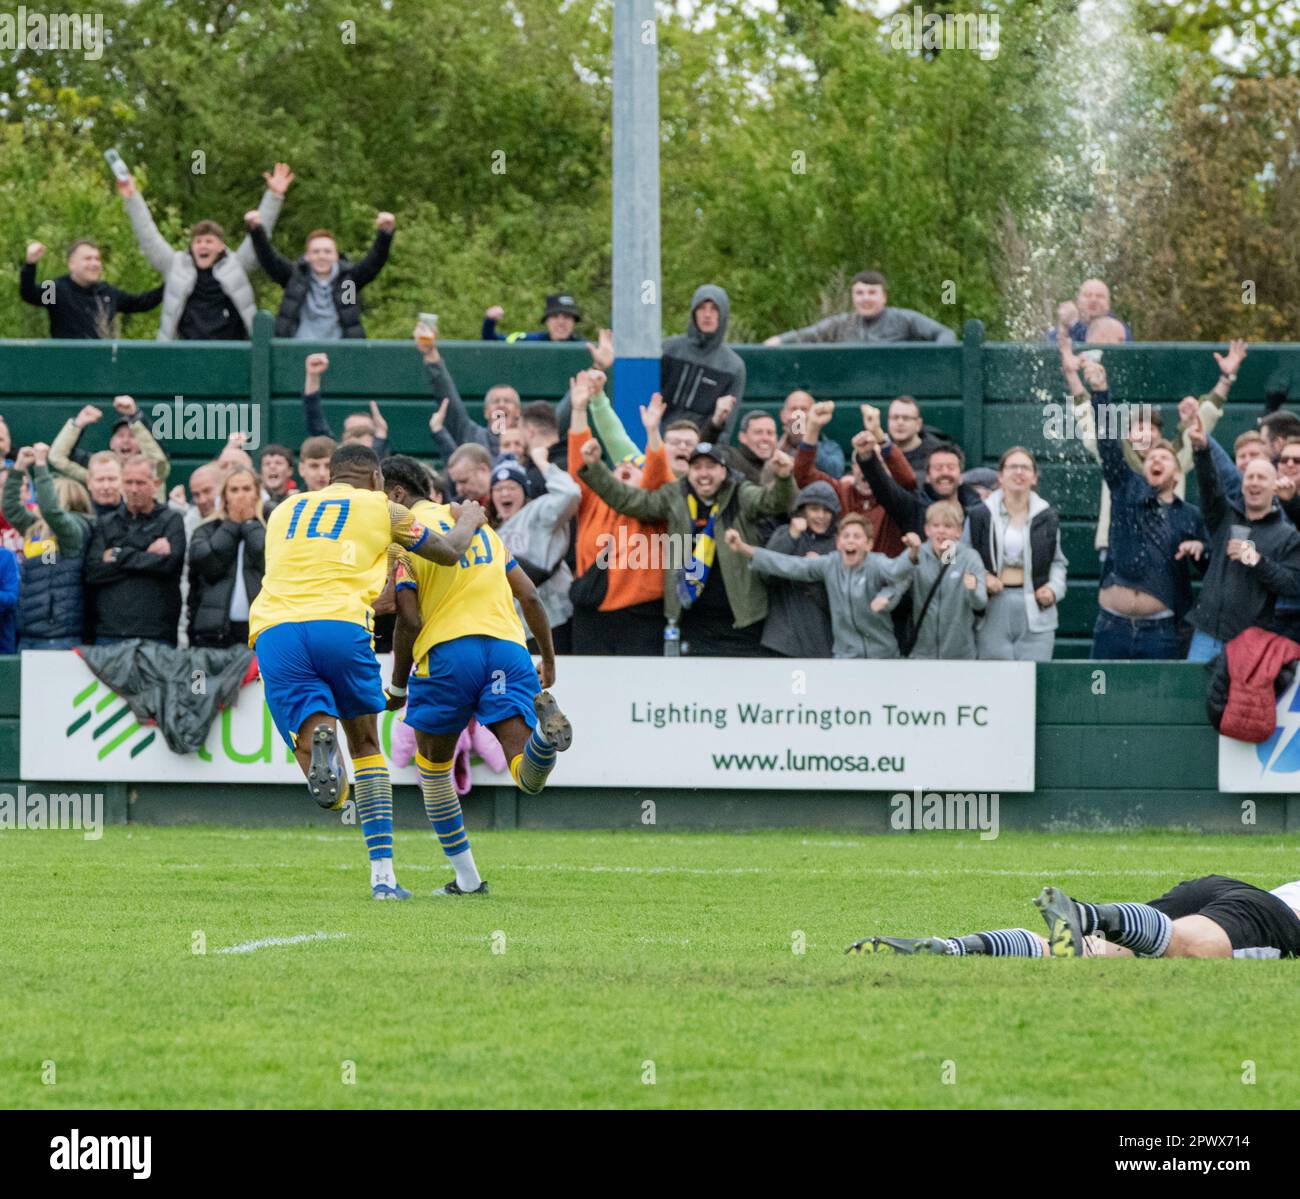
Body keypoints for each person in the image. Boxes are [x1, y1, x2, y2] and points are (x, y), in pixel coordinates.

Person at [248, 443, 487, 899]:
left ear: (330, 475)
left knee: (314, 746)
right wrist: (471, 518)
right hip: (339, 625)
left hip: (275, 629)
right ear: (377, 479)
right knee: (365, 745)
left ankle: (327, 764)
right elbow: (450, 552)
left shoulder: (282, 510)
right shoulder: (383, 509)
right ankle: (383, 878)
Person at [383, 457, 573, 896]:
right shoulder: (479, 528)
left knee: (433, 771)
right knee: (526, 774)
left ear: (394, 494)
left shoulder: (406, 534)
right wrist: (548, 661)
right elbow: (529, 595)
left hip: (448, 652)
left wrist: (397, 685)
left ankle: (467, 880)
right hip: (508, 650)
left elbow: (408, 619)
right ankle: (544, 739)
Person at [578, 441, 796, 656]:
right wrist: (596, 467)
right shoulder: (676, 496)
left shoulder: (740, 493)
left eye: (710, 467)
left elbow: (772, 501)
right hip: (692, 621)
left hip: (742, 620)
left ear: (723, 471)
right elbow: (630, 500)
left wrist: (784, 477)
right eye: (697, 467)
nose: (704, 474)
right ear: (689, 472)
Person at [1081, 360, 1208, 659]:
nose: (1156, 461)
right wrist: (1100, 392)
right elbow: (1109, 446)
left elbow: (1210, 564)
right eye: (1152, 458)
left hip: (1161, 634)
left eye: (1165, 458)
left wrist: (1199, 547)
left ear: (1177, 475)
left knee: (1156, 705)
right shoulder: (1125, 487)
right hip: (1111, 628)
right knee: (1099, 697)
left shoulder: (1189, 516)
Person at [848, 878, 1300, 961]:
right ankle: (1084, 914)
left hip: (1226, 887)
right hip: (1277, 915)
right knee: (1193, 947)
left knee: (1105, 951)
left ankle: (957, 947)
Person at [117, 163, 292, 340]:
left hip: (232, 354)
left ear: (221, 247)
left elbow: (258, 238)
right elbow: (149, 238)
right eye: (198, 241)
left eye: (209, 241)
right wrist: (132, 198)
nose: (203, 246)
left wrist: (274, 196)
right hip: (187, 355)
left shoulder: (236, 265)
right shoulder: (175, 265)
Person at [567, 375, 676, 655]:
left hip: (641, 616)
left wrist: (653, 434)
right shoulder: (595, 501)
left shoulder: (653, 502)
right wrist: (579, 410)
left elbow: (659, 474)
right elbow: (580, 466)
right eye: (619, 465)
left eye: (634, 464)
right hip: (591, 614)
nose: (625, 464)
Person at [1184, 412, 1300, 662]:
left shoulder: (1287, 535)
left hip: (1248, 642)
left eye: (1262, 478)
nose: (1254, 483)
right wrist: (1202, 450)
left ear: (1274, 486)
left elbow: (1292, 585)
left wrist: (1256, 560)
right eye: (1250, 477)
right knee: (1193, 698)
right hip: (1205, 635)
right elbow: (1209, 486)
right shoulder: (1224, 517)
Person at [725, 513, 913, 659]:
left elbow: (899, 573)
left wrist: (913, 552)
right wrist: (743, 548)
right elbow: (788, 564)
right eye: (846, 536)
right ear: (838, 543)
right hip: (845, 658)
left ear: (869, 544)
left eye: (857, 536)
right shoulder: (829, 564)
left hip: (882, 657)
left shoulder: (877, 563)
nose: (851, 540)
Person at [965, 447, 1068, 661]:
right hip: (991, 608)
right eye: (1013, 467)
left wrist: (1053, 590)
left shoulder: (1047, 517)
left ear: (1034, 478)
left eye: (1025, 468)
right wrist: (982, 577)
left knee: (1034, 682)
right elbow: (960, 558)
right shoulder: (979, 515)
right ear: (1000, 477)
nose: (1019, 472)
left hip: (1035, 610)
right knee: (995, 682)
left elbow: (1058, 562)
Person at [84, 456, 186, 645]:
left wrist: (118, 554)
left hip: (156, 633)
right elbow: (93, 571)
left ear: (155, 484)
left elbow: (169, 565)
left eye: (140, 483)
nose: (133, 489)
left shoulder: (171, 520)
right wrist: (147, 554)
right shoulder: (106, 522)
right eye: (128, 482)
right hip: (110, 631)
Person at [795, 401, 916, 559]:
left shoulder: (896, 499)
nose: (867, 470)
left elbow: (909, 481)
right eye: (862, 462)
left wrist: (878, 434)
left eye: (877, 464)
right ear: (853, 467)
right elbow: (803, 476)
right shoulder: (841, 490)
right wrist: (812, 429)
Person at [2, 443, 94, 649]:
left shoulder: (75, 531)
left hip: (60, 633)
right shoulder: (39, 530)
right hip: (29, 630)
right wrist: (17, 470)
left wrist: (41, 466)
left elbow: (52, 512)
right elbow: (11, 509)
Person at [247, 211, 394, 339]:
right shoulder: (296, 277)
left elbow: (374, 262)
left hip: (340, 353)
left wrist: (385, 234)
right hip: (298, 351)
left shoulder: (347, 282)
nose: (321, 256)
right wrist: (256, 230)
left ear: (336, 256)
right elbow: (269, 259)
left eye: (327, 251)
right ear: (307, 256)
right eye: (316, 252)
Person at [490, 446, 580, 654]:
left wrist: (543, 463)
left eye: (512, 487)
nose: (505, 493)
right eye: (498, 488)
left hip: (554, 619)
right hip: (515, 628)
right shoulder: (490, 530)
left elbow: (570, 492)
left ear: (524, 491)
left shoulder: (538, 512)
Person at [754, 482, 840, 658]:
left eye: (827, 511)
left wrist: (818, 573)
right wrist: (791, 537)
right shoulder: (785, 532)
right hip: (782, 641)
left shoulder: (838, 544)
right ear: (802, 511)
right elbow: (766, 574)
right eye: (814, 509)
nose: (821, 516)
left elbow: (841, 598)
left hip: (821, 642)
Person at [764, 270, 956, 346]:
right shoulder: (841, 324)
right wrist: (778, 341)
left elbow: (944, 333)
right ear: (853, 297)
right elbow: (808, 335)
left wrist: (938, 356)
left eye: (872, 293)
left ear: (884, 297)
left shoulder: (905, 319)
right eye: (860, 293)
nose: (865, 298)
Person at [187, 468, 266, 648]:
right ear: (225, 496)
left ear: (256, 494)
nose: (240, 496)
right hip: (215, 631)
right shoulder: (206, 529)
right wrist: (231, 526)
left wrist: (249, 525)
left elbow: (268, 560)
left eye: (246, 489)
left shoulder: (271, 525)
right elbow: (209, 566)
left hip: (260, 630)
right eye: (234, 490)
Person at [21, 239, 162, 338]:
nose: (94, 263)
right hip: (68, 366)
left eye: (97, 259)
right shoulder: (56, 289)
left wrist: (169, 287)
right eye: (88, 259)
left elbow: (140, 303)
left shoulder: (106, 292)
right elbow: (29, 294)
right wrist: (30, 264)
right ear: (72, 264)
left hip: (101, 368)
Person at [659, 285, 748, 440]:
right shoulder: (668, 350)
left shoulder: (733, 367)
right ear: (693, 313)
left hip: (700, 450)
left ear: (723, 315)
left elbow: (725, 429)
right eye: (701, 308)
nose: (707, 315)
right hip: (657, 441)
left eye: (714, 309)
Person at [418, 323, 521, 457]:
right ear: (486, 412)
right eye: (495, 401)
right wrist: (430, 352)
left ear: (518, 412)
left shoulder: (528, 442)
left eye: (507, 401)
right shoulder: (471, 435)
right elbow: (448, 397)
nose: (501, 405)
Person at [901, 506, 987, 659]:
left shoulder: (969, 557)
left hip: (960, 655)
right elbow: (898, 584)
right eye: (936, 526)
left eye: (948, 526)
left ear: (959, 532)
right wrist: (908, 559)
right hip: (922, 654)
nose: (941, 531)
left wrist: (972, 590)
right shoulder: (917, 554)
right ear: (927, 530)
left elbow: (980, 603)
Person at [857, 434, 980, 537]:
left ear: (961, 476)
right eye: (938, 468)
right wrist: (867, 458)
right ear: (927, 476)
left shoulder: (977, 513)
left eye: (951, 467)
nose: (944, 473)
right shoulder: (914, 509)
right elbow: (884, 489)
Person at [49, 396, 171, 499]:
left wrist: (135, 416)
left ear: (141, 442)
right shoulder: (98, 470)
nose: (125, 440)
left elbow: (158, 459)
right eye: (120, 435)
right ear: (112, 443)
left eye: (132, 436)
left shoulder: (154, 471)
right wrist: (78, 424)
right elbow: (57, 457)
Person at [300, 353, 389, 459]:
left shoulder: (384, 465)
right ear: (343, 439)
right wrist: (313, 376)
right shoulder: (334, 458)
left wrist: (381, 435)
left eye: (364, 432)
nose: (358, 440)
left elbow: (372, 465)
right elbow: (315, 421)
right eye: (353, 432)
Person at [885, 395, 954, 486]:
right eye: (894, 417)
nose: (900, 422)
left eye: (906, 418)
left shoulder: (936, 453)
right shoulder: (879, 450)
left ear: (918, 424)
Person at [776, 390, 844, 478]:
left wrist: (807, 440)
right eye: (793, 409)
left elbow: (835, 473)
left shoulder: (831, 448)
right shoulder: (772, 444)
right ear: (783, 416)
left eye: (804, 409)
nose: (798, 414)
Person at [1046, 279, 1131, 342]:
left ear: (1108, 304)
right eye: (1087, 295)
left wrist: (1075, 324)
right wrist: (1063, 330)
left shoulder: (1117, 327)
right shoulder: (1068, 326)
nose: (1093, 300)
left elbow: (1093, 340)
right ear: (1078, 303)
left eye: (1099, 296)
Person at [481, 293, 585, 342]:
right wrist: (489, 321)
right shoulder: (531, 342)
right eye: (555, 316)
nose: (561, 322)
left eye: (567, 317)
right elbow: (491, 341)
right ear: (547, 321)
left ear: (574, 322)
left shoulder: (585, 348)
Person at [258, 444, 298, 512]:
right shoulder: (255, 500)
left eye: (278, 463)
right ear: (261, 472)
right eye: (267, 463)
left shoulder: (298, 498)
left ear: (289, 471)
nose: (272, 467)